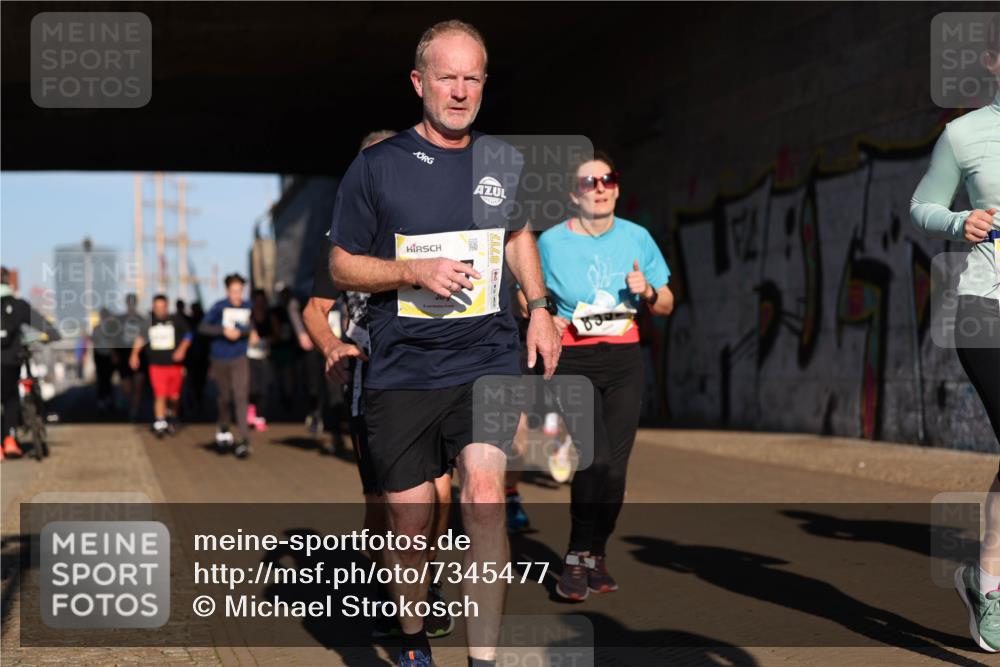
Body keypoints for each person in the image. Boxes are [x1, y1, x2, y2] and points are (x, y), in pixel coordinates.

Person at [327, 20, 560, 667]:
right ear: (419, 82)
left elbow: (518, 235)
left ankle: (483, 659)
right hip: (402, 368)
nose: (460, 90)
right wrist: (411, 271)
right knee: (410, 519)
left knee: (484, 496)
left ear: (484, 83)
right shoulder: (375, 167)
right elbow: (342, 266)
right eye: (447, 76)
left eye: (471, 77)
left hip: (486, 355)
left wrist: (538, 307)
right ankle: (411, 637)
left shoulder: (502, 161)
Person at [537, 151, 673, 601]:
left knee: (615, 473)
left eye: (607, 179)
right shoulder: (551, 242)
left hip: (623, 360)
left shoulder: (638, 238)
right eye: (588, 182)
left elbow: (668, 303)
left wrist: (649, 291)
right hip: (574, 360)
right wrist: (542, 315)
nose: (599, 188)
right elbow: (522, 294)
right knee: (593, 460)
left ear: (617, 186)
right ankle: (576, 557)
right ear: (573, 195)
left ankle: (597, 553)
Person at [910, 26, 1000, 651]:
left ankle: (986, 581)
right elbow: (922, 204)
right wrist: (957, 219)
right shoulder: (964, 134)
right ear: (994, 62)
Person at [0, 267, 60, 459]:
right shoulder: (19, 306)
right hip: (11, 361)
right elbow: (48, 328)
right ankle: (9, 440)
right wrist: (48, 336)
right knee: (10, 399)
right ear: (9, 282)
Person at [199, 274, 253, 458]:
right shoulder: (219, 307)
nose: (237, 294)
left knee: (241, 395)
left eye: (240, 290)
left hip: (239, 357)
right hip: (220, 358)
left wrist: (249, 333)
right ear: (227, 291)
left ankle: (244, 439)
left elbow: (252, 326)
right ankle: (223, 425)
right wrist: (223, 331)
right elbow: (203, 327)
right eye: (233, 291)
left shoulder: (248, 307)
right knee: (224, 397)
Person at [128, 294, 192, 437]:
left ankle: (172, 416)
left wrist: (182, 349)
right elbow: (140, 339)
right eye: (157, 307)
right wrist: (134, 354)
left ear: (167, 306)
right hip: (156, 365)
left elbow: (189, 335)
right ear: (153, 307)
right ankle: (160, 421)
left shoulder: (176, 320)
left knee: (174, 397)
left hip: (175, 365)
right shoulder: (148, 323)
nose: (159, 310)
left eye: (162, 307)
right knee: (160, 394)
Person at [247, 288, 277, 432]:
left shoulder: (270, 316)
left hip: (265, 356)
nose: (259, 303)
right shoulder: (248, 316)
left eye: (261, 300)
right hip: (249, 356)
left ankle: (261, 416)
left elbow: (278, 335)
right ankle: (251, 409)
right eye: (256, 300)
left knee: (264, 388)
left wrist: (266, 340)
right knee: (252, 387)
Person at [117, 293, 147, 421]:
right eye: (129, 302)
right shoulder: (120, 319)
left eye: (133, 302)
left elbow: (146, 338)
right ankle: (124, 401)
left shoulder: (142, 319)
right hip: (124, 356)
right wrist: (114, 353)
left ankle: (134, 410)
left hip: (140, 356)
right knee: (127, 388)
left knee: (138, 386)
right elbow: (114, 338)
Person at [91, 307, 119, 412]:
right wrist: (114, 355)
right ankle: (107, 400)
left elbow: (94, 340)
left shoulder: (97, 328)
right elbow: (111, 342)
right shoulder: (109, 327)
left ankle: (103, 400)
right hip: (105, 355)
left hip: (99, 355)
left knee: (102, 379)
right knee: (106, 379)